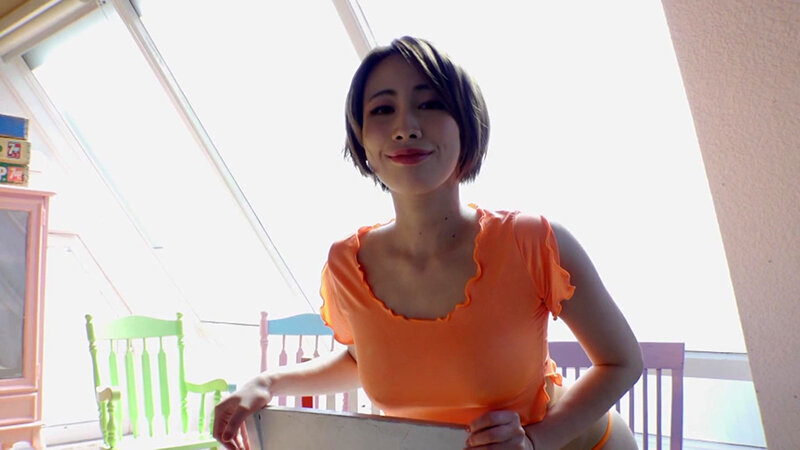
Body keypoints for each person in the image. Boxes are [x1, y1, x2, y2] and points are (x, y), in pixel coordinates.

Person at [213, 36, 642, 450]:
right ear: (362, 139)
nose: (405, 127)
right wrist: (267, 383)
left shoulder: (532, 242)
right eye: (383, 109)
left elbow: (621, 362)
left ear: (467, 125)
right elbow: (364, 360)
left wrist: (536, 441)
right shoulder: (346, 264)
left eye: (430, 103)